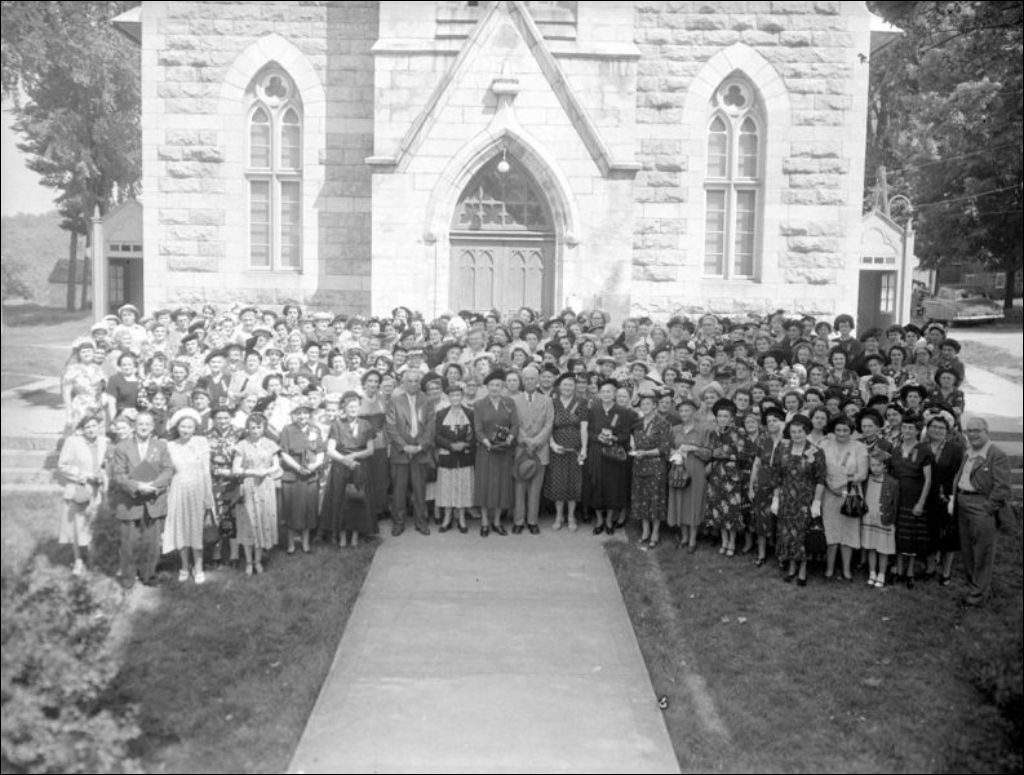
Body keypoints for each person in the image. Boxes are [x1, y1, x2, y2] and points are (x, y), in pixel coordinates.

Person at [952, 417, 1013, 607]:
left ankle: (978, 596)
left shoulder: (996, 454)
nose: (972, 434)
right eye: (969, 431)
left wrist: (988, 507)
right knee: (967, 549)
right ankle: (975, 587)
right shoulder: (968, 452)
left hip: (982, 505)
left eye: (977, 430)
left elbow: (1002, 487)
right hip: (963, 503)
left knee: (982, 551)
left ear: (986, 431)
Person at [110, 411, 174, 589]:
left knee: (152, 542)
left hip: (153, 499)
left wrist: (153, 485)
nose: (144, 427)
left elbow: (168, 470)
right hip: (130, 501)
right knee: (129, 542)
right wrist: (137, 486)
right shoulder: (122, 447)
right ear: (134, 427)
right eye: (140, 424)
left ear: (152, 427)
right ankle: (128, 577)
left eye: (147, 424)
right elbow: (118, 474)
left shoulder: (160, 446)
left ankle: (148, 574)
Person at [772, 414, 826, 586]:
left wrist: (817, 502)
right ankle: (791, 567)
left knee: (802, 535)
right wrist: (775, 498)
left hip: (805, 500)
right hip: (786, 499)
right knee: (787, 534)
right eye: (793, 431)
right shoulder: (782, 448)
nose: (796, 435)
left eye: (800, 431)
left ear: (807, 432)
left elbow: (821, 479)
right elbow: (777, 475)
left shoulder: (816, 451)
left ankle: (803, 569)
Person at [163, 408, 215, 584]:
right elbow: (166, 471)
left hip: (198, 490)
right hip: (178, 490)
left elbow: (206, 471)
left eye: (189, 427)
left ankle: (198, 567)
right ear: (177, 427)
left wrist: (208, 495)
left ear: (195, 428)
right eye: (182, 426)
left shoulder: (201, 442)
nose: (185, 430)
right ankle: (184, 566)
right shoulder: (170, 445)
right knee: (181, 529)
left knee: (196, 529)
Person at [385, 368, 436, 536]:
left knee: (420, 490)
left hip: (420, 453)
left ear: (420, 383)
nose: (413, 384)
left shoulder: (427, 401)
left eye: (416, 381)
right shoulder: (395, 401)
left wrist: (420, 447)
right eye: (410, 381)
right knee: (399, 491)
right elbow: (391, 428)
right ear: (404, 383)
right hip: (401, 453)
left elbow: (430, 427)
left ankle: (421, 522)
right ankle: (398, 523)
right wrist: (405, 446)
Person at [321, 392, 375, 546]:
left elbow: (370, 450)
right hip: (341, 467)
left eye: (356, 407)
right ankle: (340, 534)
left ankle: (356, 535)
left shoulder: (366, 425)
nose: (353, 409)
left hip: (359, 466)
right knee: (340, 500)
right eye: (350, 407)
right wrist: (345, 460)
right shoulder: (337, 425)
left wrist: (354, 456)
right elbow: (330, 450)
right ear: (344, 408)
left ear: (359, 408)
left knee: (358, 499)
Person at [56, 414, 108, 575]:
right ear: (82, 429)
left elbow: (104, 464)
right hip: (80, 488)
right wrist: (82, 475)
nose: (91, 429)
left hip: (97, 490)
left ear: (99, 427)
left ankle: (93, 558)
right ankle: (78, 560)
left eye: (94, 426)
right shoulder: (73, 442)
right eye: (87, 427)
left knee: (94, 524)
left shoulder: (103, 442)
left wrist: (103, 475)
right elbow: (62, 465)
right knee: (77, 526)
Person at [818, 415, 868, 580]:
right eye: (838, 430)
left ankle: (846, 569)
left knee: (848, 531)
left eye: (845, 430)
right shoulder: (824, 445)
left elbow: (862, 474)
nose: (841, 433)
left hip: (851, 493)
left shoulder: (859, 447)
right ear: (833, 430)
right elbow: (819, 469)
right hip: (829, 494)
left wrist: (841, 484)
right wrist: (830, 486)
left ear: (851, 431)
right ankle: (829, 568)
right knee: (831, 531)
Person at [232, 412, 281, 574]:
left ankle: (258, 560)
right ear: (247, 428)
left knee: (262, 521)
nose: (255, 430)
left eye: (258, 427)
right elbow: (236, 468)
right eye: (252, 427)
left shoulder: (270, 444)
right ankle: (248, 561)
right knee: (249, 522)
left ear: (264, 428)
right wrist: (252, 472)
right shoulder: (242, 445)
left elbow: (276, 465)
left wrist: (266, 471)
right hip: (249, 485)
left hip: (266, 486)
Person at [473, 369, 519, 536]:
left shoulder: (509, 403)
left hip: (504, 450)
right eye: (491, 385)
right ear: (487, 387)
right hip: (486, 451)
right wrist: (487, 443)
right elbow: (478, 429)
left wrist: (510, 438)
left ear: (502, 386)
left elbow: (515, 425)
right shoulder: (479, 404)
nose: (494, 388)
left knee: (502, 485)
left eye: (498, 385)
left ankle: (497, 521)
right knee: (485, 485)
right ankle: (485, 521)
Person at [703, 398, 752, 556]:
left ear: (731, 418)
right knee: (719, 509)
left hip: (732, 476)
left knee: (731, 510)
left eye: (725, 416)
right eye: (720, 416)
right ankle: (724, 541)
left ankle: (732, 542)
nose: (722, 419)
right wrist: (713, 455)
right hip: (717, 475)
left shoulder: (739, 432)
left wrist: (726, 455)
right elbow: (710, 452)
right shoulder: (714, 433)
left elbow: (745, 454)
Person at [585, 379, 632, 536]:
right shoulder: (593, 410)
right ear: (599, 394)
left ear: (614, 394)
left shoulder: (621, 411)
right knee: (596, 486)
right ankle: (599, 520)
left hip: (613, 454)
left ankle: (609, 520)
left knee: (613, 487)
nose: (606, 394)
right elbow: (588, 431)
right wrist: (597, 437)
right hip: (597, 452)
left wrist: (614, 438)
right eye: (603, 392)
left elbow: (626, 434)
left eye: (609, 391)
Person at [890, 414, 933, 588]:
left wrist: (921, 503)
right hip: (898, 498)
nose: (907, 431)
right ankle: (899, 570)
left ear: (917, 431)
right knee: (900, 536)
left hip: (915, 498)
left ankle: (910, 573)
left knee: (913, 537)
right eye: (904, 427)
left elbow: (928, 479)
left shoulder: (924, 450)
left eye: (910, 428)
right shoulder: (896, 449)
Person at [922, 413, 964, 586]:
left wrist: (952, 498)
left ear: (947, 431)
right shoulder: (922, 447)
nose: (937, 430)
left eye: (941, 428)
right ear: (927, 429)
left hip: (947, 495)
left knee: (948, 535)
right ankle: (930, 567)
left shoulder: (955, 449)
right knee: (929, 532)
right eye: (933, 427)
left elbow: (958, 475)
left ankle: (946, 572)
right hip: (926, 495)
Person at [278, 402, 326, 554]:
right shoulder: (287, 430)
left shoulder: (315, 429)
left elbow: (320, 451)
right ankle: (291, 544)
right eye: (298, 413)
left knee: (309, 508)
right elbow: (284, 453)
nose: (302, 416)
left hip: (310, 474)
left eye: (305, 413)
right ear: (294, 415)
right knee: (291, 508)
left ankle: (306, 543)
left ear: (309, 414)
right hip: (292, 473)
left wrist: (314, 466)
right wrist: (298, 468)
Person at [512, 365, 554, 534]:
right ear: (523, 381)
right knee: (519, 487)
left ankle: (532, 521)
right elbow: (514, 424)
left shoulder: (547, 400)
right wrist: (525, 441)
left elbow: (549, 424)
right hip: (521, 449)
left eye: (533, 379)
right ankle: (518, 521)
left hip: (539, 449)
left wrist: (536, 442)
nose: (530, 381)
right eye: (527, 379)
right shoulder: (515, 400)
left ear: (537, 381)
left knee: (535, 488)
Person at [544, 373, 589, 532]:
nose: (567, 387)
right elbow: (548, 426)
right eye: (565, 385)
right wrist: (552, 444)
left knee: (573, 483)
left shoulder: (581, 402)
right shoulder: (552, 402)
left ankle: (571, 516)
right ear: (559, 387)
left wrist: (584, 448)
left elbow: (584, 427)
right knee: (558, 483)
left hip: (575, 450)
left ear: (574, 387)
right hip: (557, 450)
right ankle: (558, 516)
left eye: (570, 385)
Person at [629, 392, 673, 548]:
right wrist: (633, 447)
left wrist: (645, 453)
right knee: (641, 498)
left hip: (656, 466)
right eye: (643, 404)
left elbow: (664, 448)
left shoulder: (662, 423)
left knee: (655, 500)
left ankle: (655, 532)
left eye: (648, 404)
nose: (645, 406)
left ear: (655, 405)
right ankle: (645, 531)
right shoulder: (638, 422)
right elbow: (633, 441)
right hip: (639, 465)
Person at [666, 398, 709, 553]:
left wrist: (694, 448)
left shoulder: (703, 430)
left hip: (696, 470)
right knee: (680, 501)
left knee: (694, 502)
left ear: (694, 412)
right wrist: (673, 453)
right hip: (678, 469)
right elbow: (668, 449)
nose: (684, 413)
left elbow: (708, 453)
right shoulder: (675, 429)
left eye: (687, 410)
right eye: (681, 411)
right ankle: (684, 537)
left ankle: (692, 539)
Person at [434, 382, 476, 533]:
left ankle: (461, 518)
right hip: (447, 456)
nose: (455, 398)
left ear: (462, 396)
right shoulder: (441, 414)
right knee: (447, 487)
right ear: (448, 397)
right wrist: (451, 445)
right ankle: (447, 517)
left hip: (464, 457)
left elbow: (475, 434)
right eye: (452, 395)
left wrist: (466, 444)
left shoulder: (470, 413)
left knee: (463, 487)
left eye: (458, 395)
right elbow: (436, 436)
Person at [747, 405, 786, 567]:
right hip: (762, 484)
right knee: (761, 519)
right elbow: (756, 464)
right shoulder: (763, 439)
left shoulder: (788, 442)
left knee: (780, 520)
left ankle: (781, 556)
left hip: (781, 485)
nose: (771, 423)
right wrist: (751, 486)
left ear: (782, 422)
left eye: (775, 420)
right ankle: (761, 554)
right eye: (769, 421)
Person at [862, 448, 899, 588]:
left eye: (878, 465)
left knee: (883, 549)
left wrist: (891, 520)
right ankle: (872, 572)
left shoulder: (892, 482)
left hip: (884, 520)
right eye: (872, 465)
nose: (875, 468)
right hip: (869, 518)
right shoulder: (867, 480)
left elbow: (895, 504)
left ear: (884, 466)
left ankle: (881, 574)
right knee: (871, 547)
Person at [62, 338, 106, 437]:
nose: (87, 354)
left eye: (89, 351)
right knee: (81, 435)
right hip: (81, 407)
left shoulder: (98, 369)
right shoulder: (73, 370)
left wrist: (103, 395)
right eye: (83, 352)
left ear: (93, 352)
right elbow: (66, 393)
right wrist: (69, 414)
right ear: (78, 354)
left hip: (97, 407)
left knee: (97, 435)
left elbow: (103, 387)